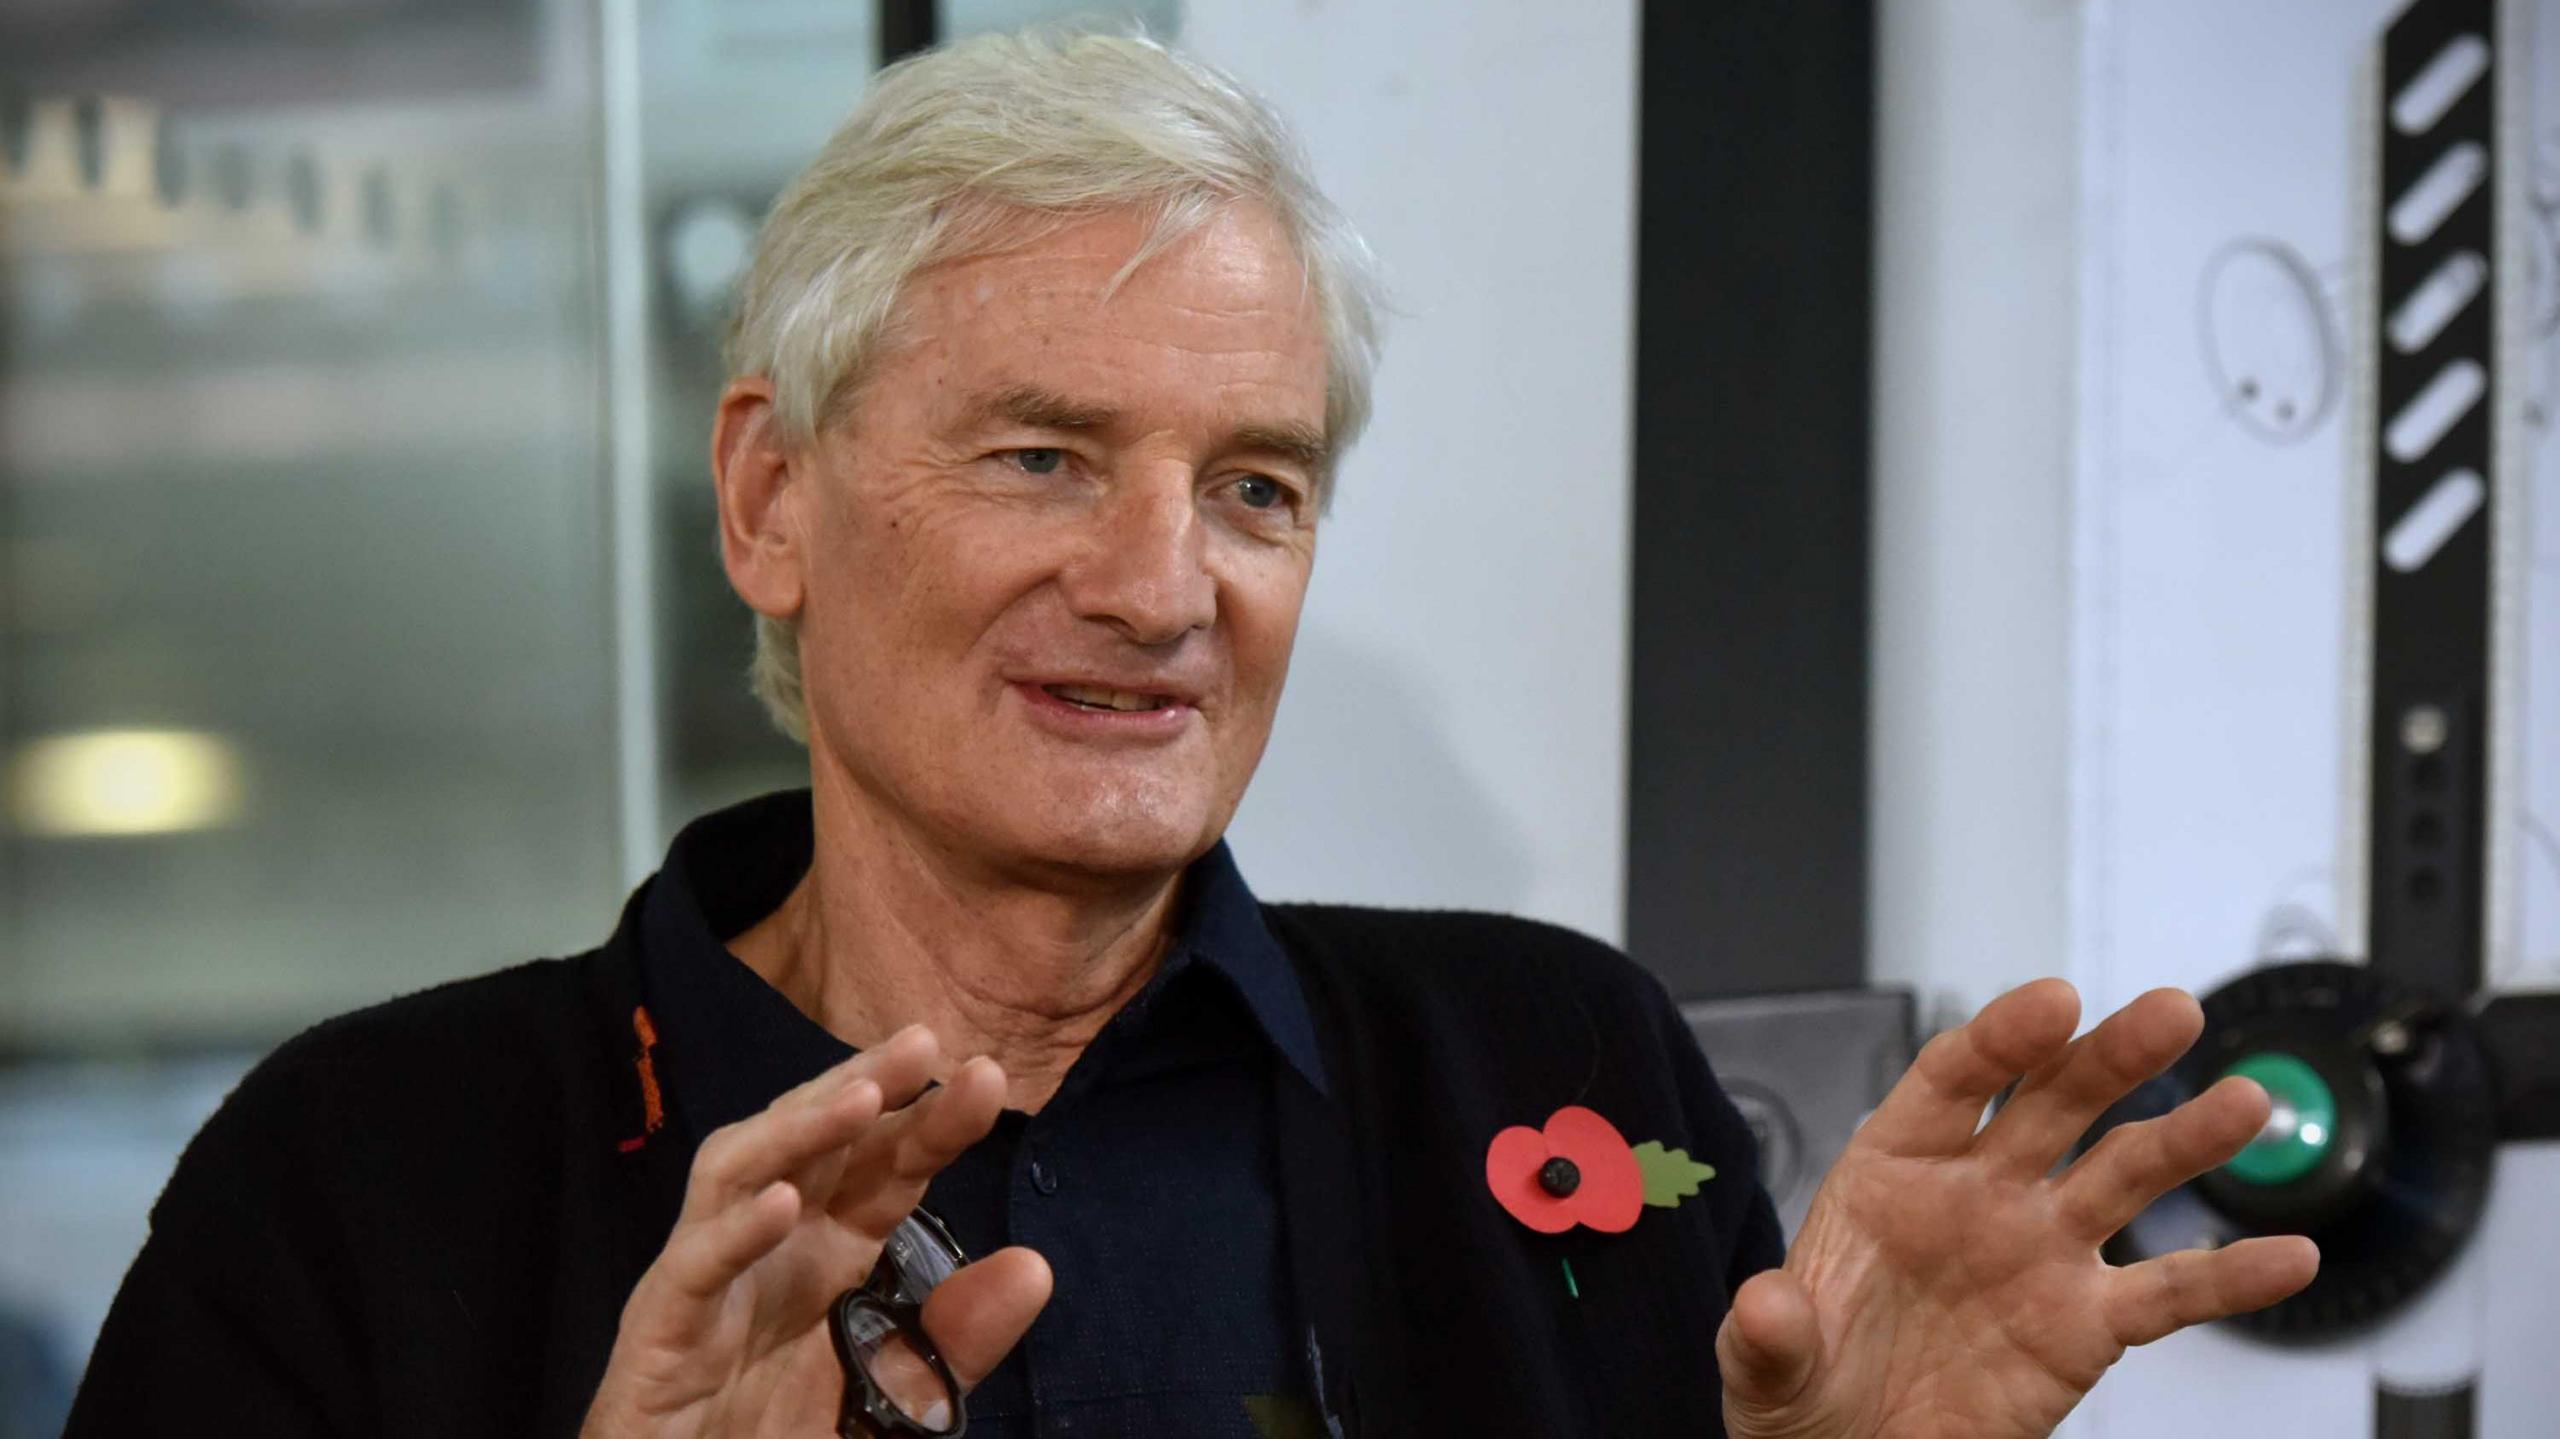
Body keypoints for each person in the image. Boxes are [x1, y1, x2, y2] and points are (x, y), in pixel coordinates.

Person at [64, 30, 2315, 1439]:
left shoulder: (1550, 1063)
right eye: (1042, 457)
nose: (1161, 590)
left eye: (1252, 485)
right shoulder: (366, 1174)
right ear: (772, 498)